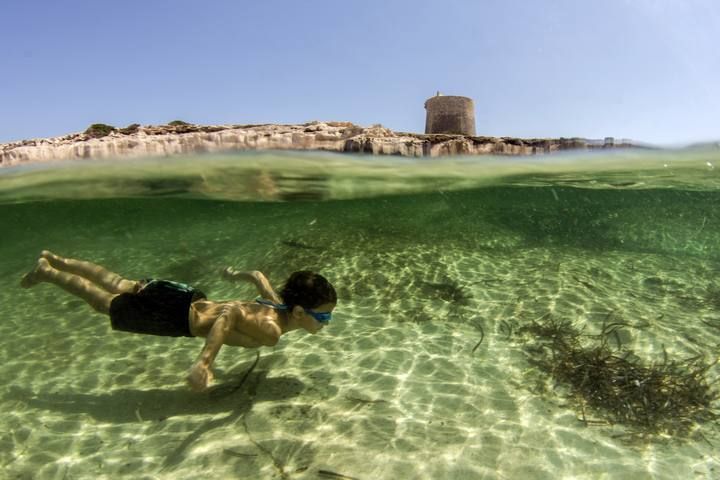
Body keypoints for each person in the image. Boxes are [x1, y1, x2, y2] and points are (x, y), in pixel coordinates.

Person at [20, 250, 337, 392]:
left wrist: (232, 275)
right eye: (323, 316)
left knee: (118, 282)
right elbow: (230, 315)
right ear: (299, 313)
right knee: (103, 302)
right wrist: (205, 363)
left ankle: (59, 259)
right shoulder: (271, 331)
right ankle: (47, 272)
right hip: (174, 318)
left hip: (186, 296)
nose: (326, 322)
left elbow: (258, 276)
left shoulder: (277, 303)